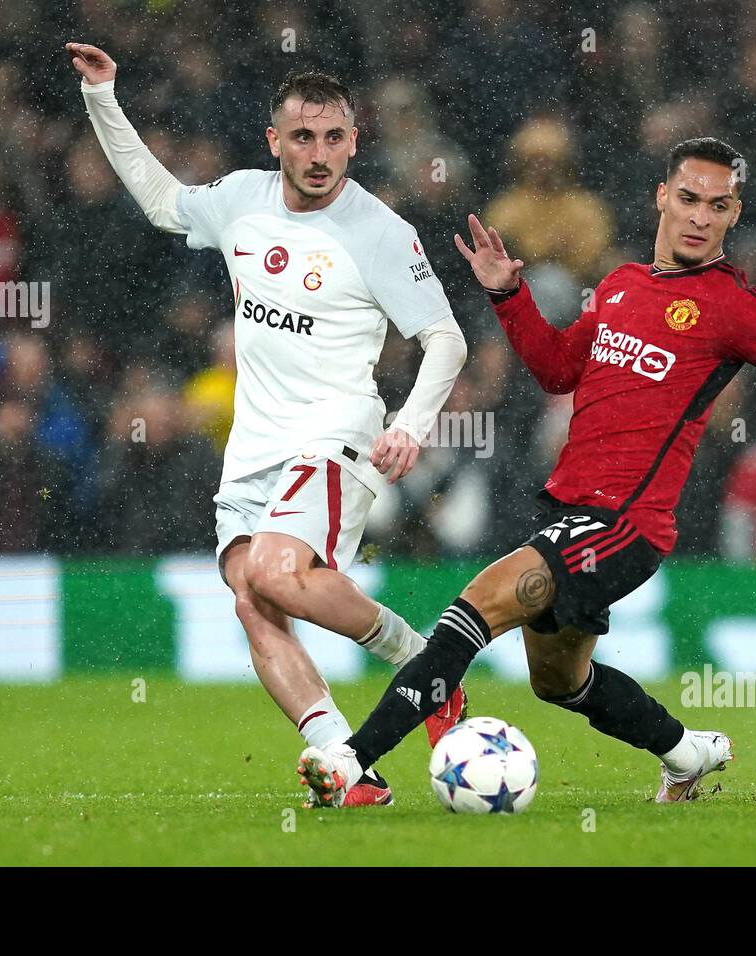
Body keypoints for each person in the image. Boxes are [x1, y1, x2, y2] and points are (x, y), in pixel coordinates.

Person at [299, 137, 756, 807]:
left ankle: (350, 759)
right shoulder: (621, 285)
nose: (700, 216)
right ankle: (688, 752)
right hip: (570, 510)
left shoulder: (735, 306)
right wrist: (509, 297)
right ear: (662, 196)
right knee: (558, 681)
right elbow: (556, 370)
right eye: (689, 198)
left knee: (472, 608)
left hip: (626, 523)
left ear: (734, 215)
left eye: (717, 206)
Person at [66, 43, 469, 806]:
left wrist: (412, 424)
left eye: (335, 139)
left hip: (338, 432)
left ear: (355, 141)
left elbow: (446, 338)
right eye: (303, 138)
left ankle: (429, 667)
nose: (319, 156)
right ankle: (347, 766)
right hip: (254, 444)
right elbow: (160, 200)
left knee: (277, 573)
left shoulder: (382, 231)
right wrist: (104, 98)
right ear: (274, 141)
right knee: (253, 599)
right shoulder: (241, 200)